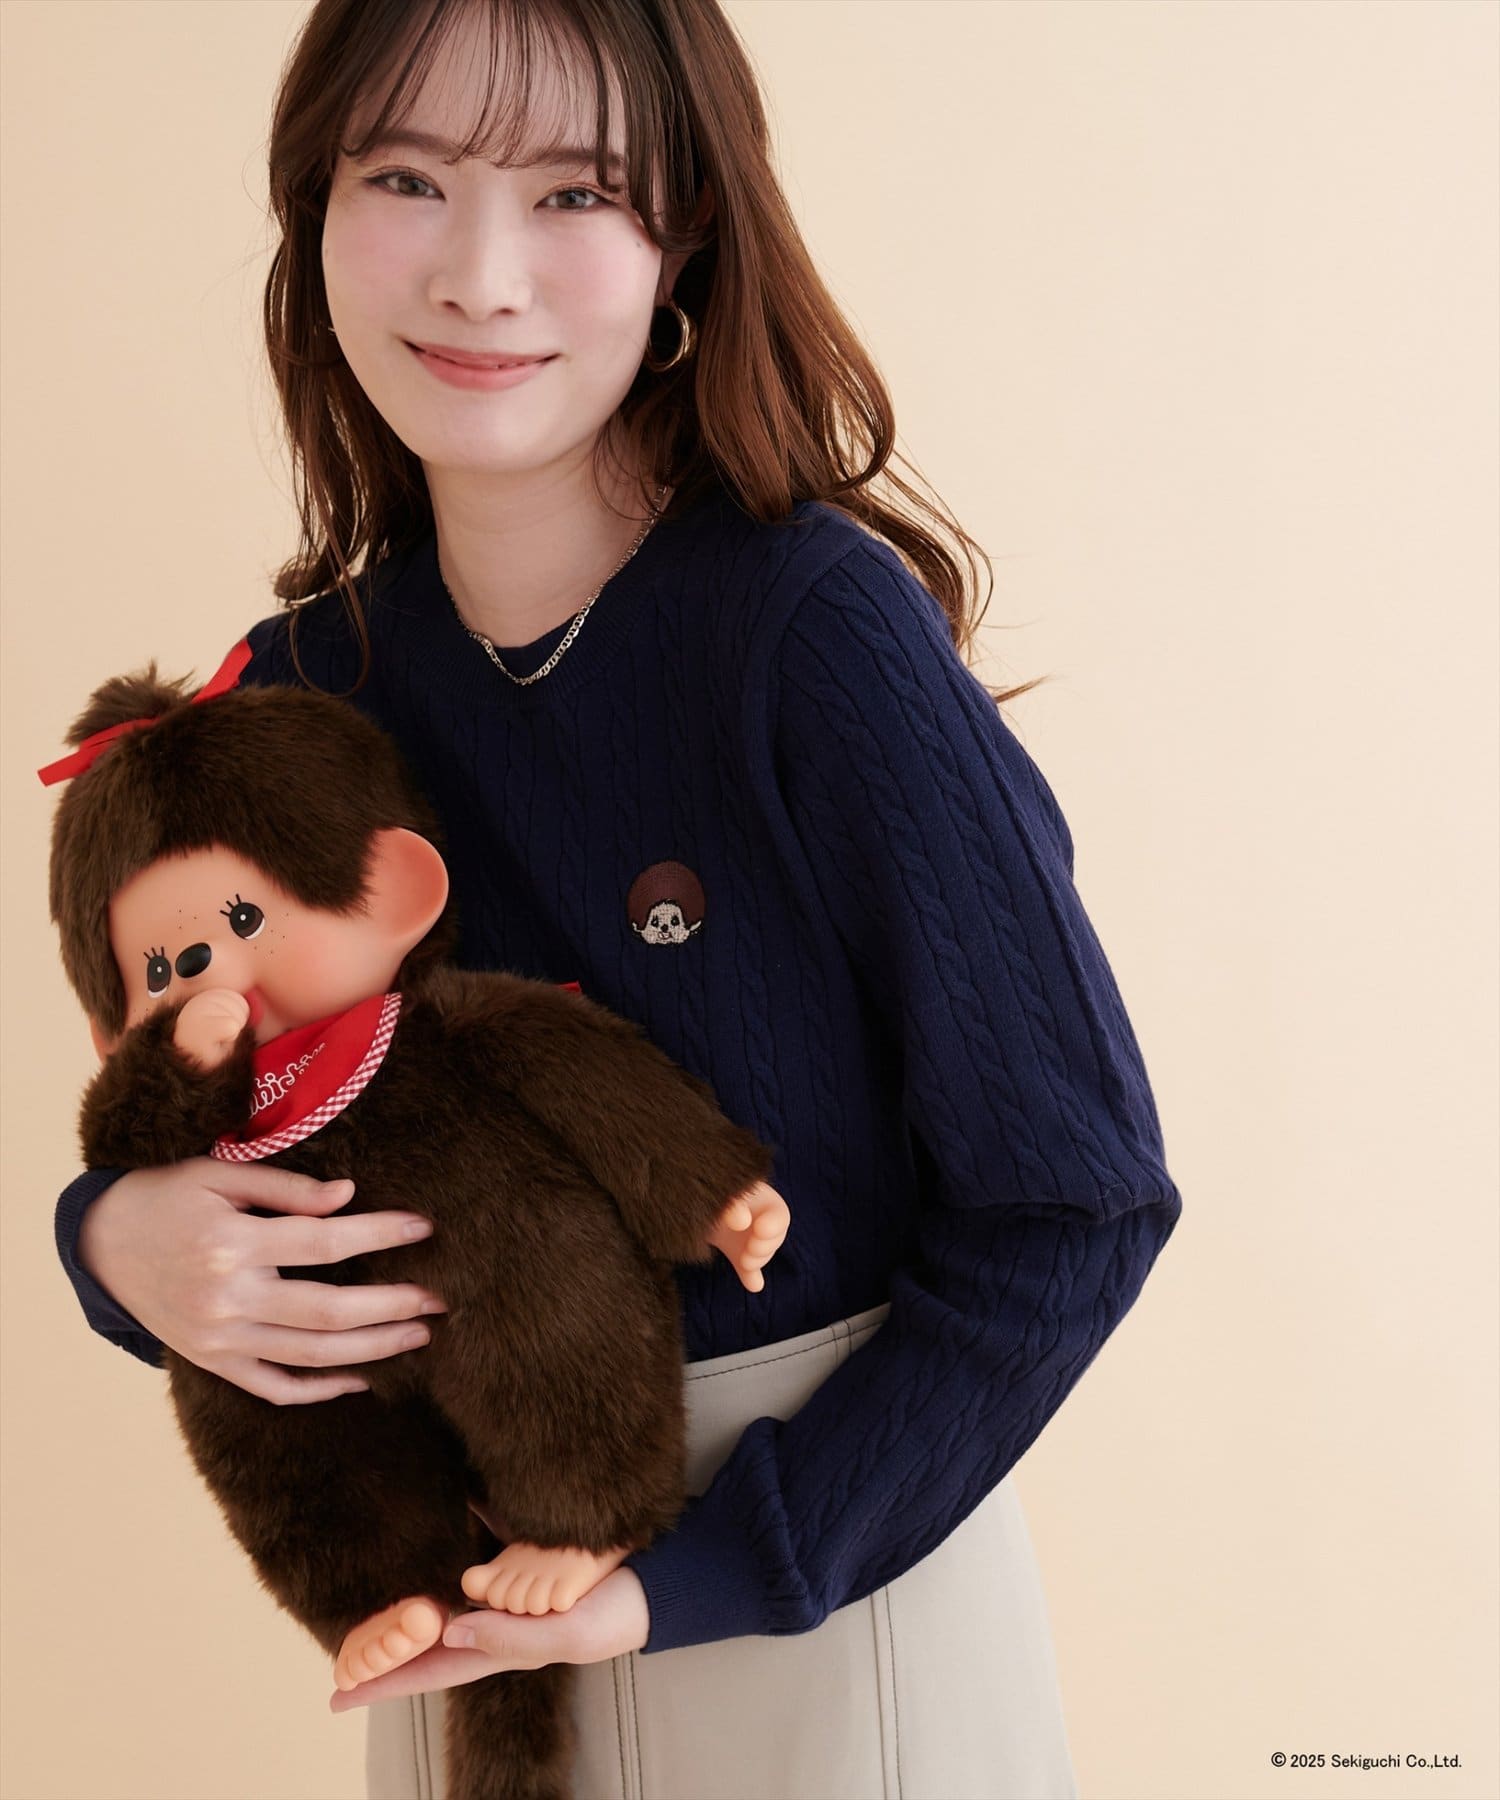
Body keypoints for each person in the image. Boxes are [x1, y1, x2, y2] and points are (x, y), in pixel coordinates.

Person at [51, 2, 1183, 1796]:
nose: (480, 275)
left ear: (685, 242)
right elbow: (215, 1101)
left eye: (574, 193)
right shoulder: (296, 695)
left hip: (825, 1600)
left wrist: (702, 1575)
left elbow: (1076, 1201)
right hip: (471, 1629)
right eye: (406, 178)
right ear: (313, 211)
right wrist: (116, 1244)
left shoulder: (814, 634)